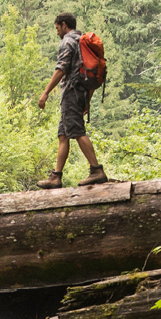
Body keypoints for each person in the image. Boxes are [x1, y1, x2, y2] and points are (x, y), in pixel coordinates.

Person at [35, 12, 108, 189]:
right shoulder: (81, 41)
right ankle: (56, 176)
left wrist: (45, 92)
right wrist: (87, 101)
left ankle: (96, 170)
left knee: (76, 131)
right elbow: (90, 74)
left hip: (71, 93)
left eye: (57, 28)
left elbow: (61, 69)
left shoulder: (67, 41)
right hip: (80, 93)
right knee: (63, 134)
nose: (57, 32)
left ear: (64, 24)